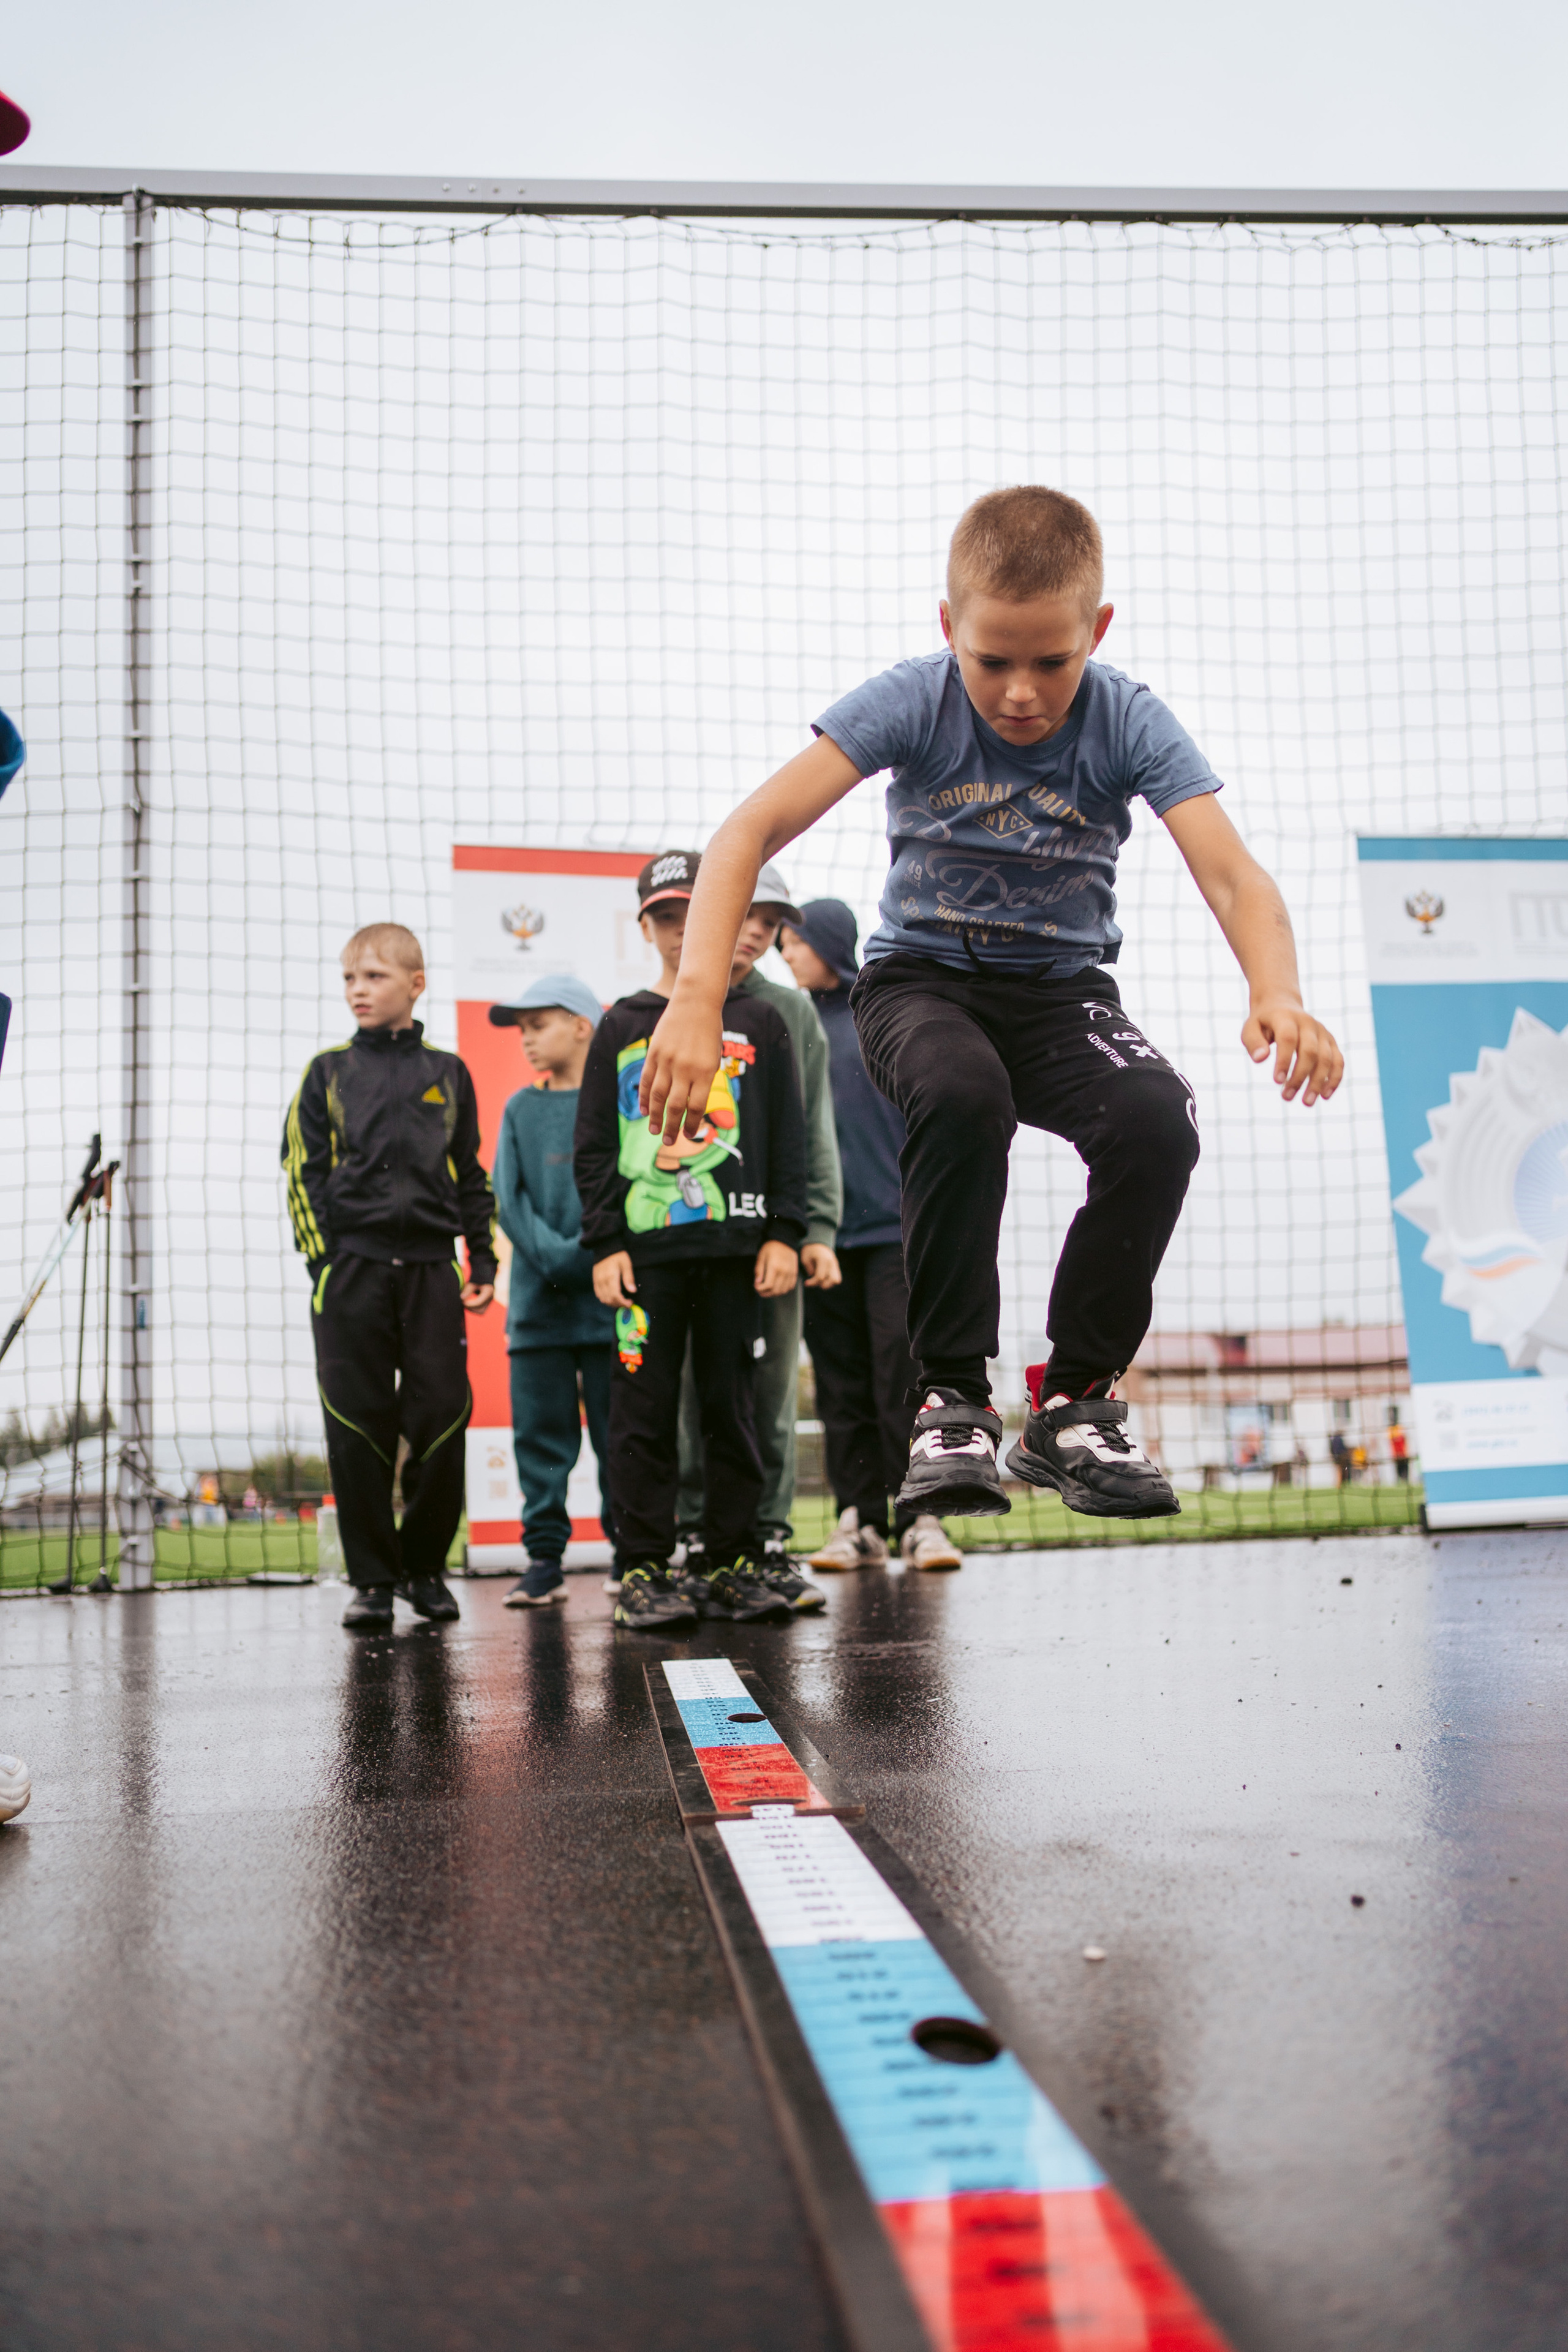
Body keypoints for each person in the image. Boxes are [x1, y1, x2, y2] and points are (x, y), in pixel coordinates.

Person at [634, 486, 1343, 1523]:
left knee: (1156, 1118)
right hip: (922, 984)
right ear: (948, 631)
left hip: (1062, 997)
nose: (1019, 693)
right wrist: (698, 996)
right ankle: (951, 1398)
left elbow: (1232, 874)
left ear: (1095, 634)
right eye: (992, 661)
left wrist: (1276, 989)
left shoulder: (1129, 718)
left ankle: (1076, 1406)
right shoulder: (912, 700)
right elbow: (747, 833)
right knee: (964, 1097)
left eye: (1050, 663)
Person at [573, 854, 809, 1630]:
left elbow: (787, 1139)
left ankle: (732, 1558)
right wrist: (606, 1241)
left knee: (732, 1409)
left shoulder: (764, 1023)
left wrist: (784, 1233)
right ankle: (643, 1565)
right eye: (666, 917)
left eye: (694, 915)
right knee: (640, 1415)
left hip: (739, 1256)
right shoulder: (620, 1024)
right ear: (645, 926)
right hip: (644, 1264)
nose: (681, 933)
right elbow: (594, 1146)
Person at [283, 923, 496, 1628]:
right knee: (357, 1422)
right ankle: (372, 1581)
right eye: (349, 979)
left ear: (415, 984)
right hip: (351, 1274)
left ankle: (425, 1571)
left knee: (441, 1418)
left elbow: (470, 1176)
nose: (357, 991)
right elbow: (301, 1173)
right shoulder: (327, 1072)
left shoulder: (449, 1072)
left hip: (434, 1271)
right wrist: (324, 1264)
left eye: (373, 977)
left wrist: (481, 1258)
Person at [673, 855, 843, 1610]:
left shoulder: (790, 1010)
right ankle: (692, 1537)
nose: (756, 934)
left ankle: (768, 1537)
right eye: (746, 914)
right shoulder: (672, 1003)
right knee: (683, 1391)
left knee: (769, 1392)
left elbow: (811, 1124)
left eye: (770, 924)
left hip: (770, 1237)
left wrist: (815, 1225)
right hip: (682, 1237)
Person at [780, 899, 961, 1573]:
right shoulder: (790, 1024)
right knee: (838, 1380)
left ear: (825, 941)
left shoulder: (878, 1015)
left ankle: (922, 1517)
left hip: (894, 1228)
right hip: (822, 1237)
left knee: (901, 1374)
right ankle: (858, 1520)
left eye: (792, 941)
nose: (785, 954)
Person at [489, 973, 617, 1608]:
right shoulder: (519, 1108)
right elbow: (507, 1200)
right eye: (521, 1031)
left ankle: (631, 1554)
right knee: (540, 1439)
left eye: (538, 1025)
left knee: (622, 1435)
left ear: (582, 1025)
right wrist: (561, 1258)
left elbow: (625, 1190)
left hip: (612, 1307)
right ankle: (544, 1562)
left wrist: (590, 1252)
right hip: (538, 1312)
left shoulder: (623, 1101)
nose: (528, 1040)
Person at [1388, 1413, 1410, 1483]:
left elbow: (1404, 1440)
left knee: (1405, 1467)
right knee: (1399, 1468)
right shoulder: (1391, 1430)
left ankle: (1405, 1479)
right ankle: (1400, 1479)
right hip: (1396, 1455)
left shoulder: (1400, 1429)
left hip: (1403, 1454)